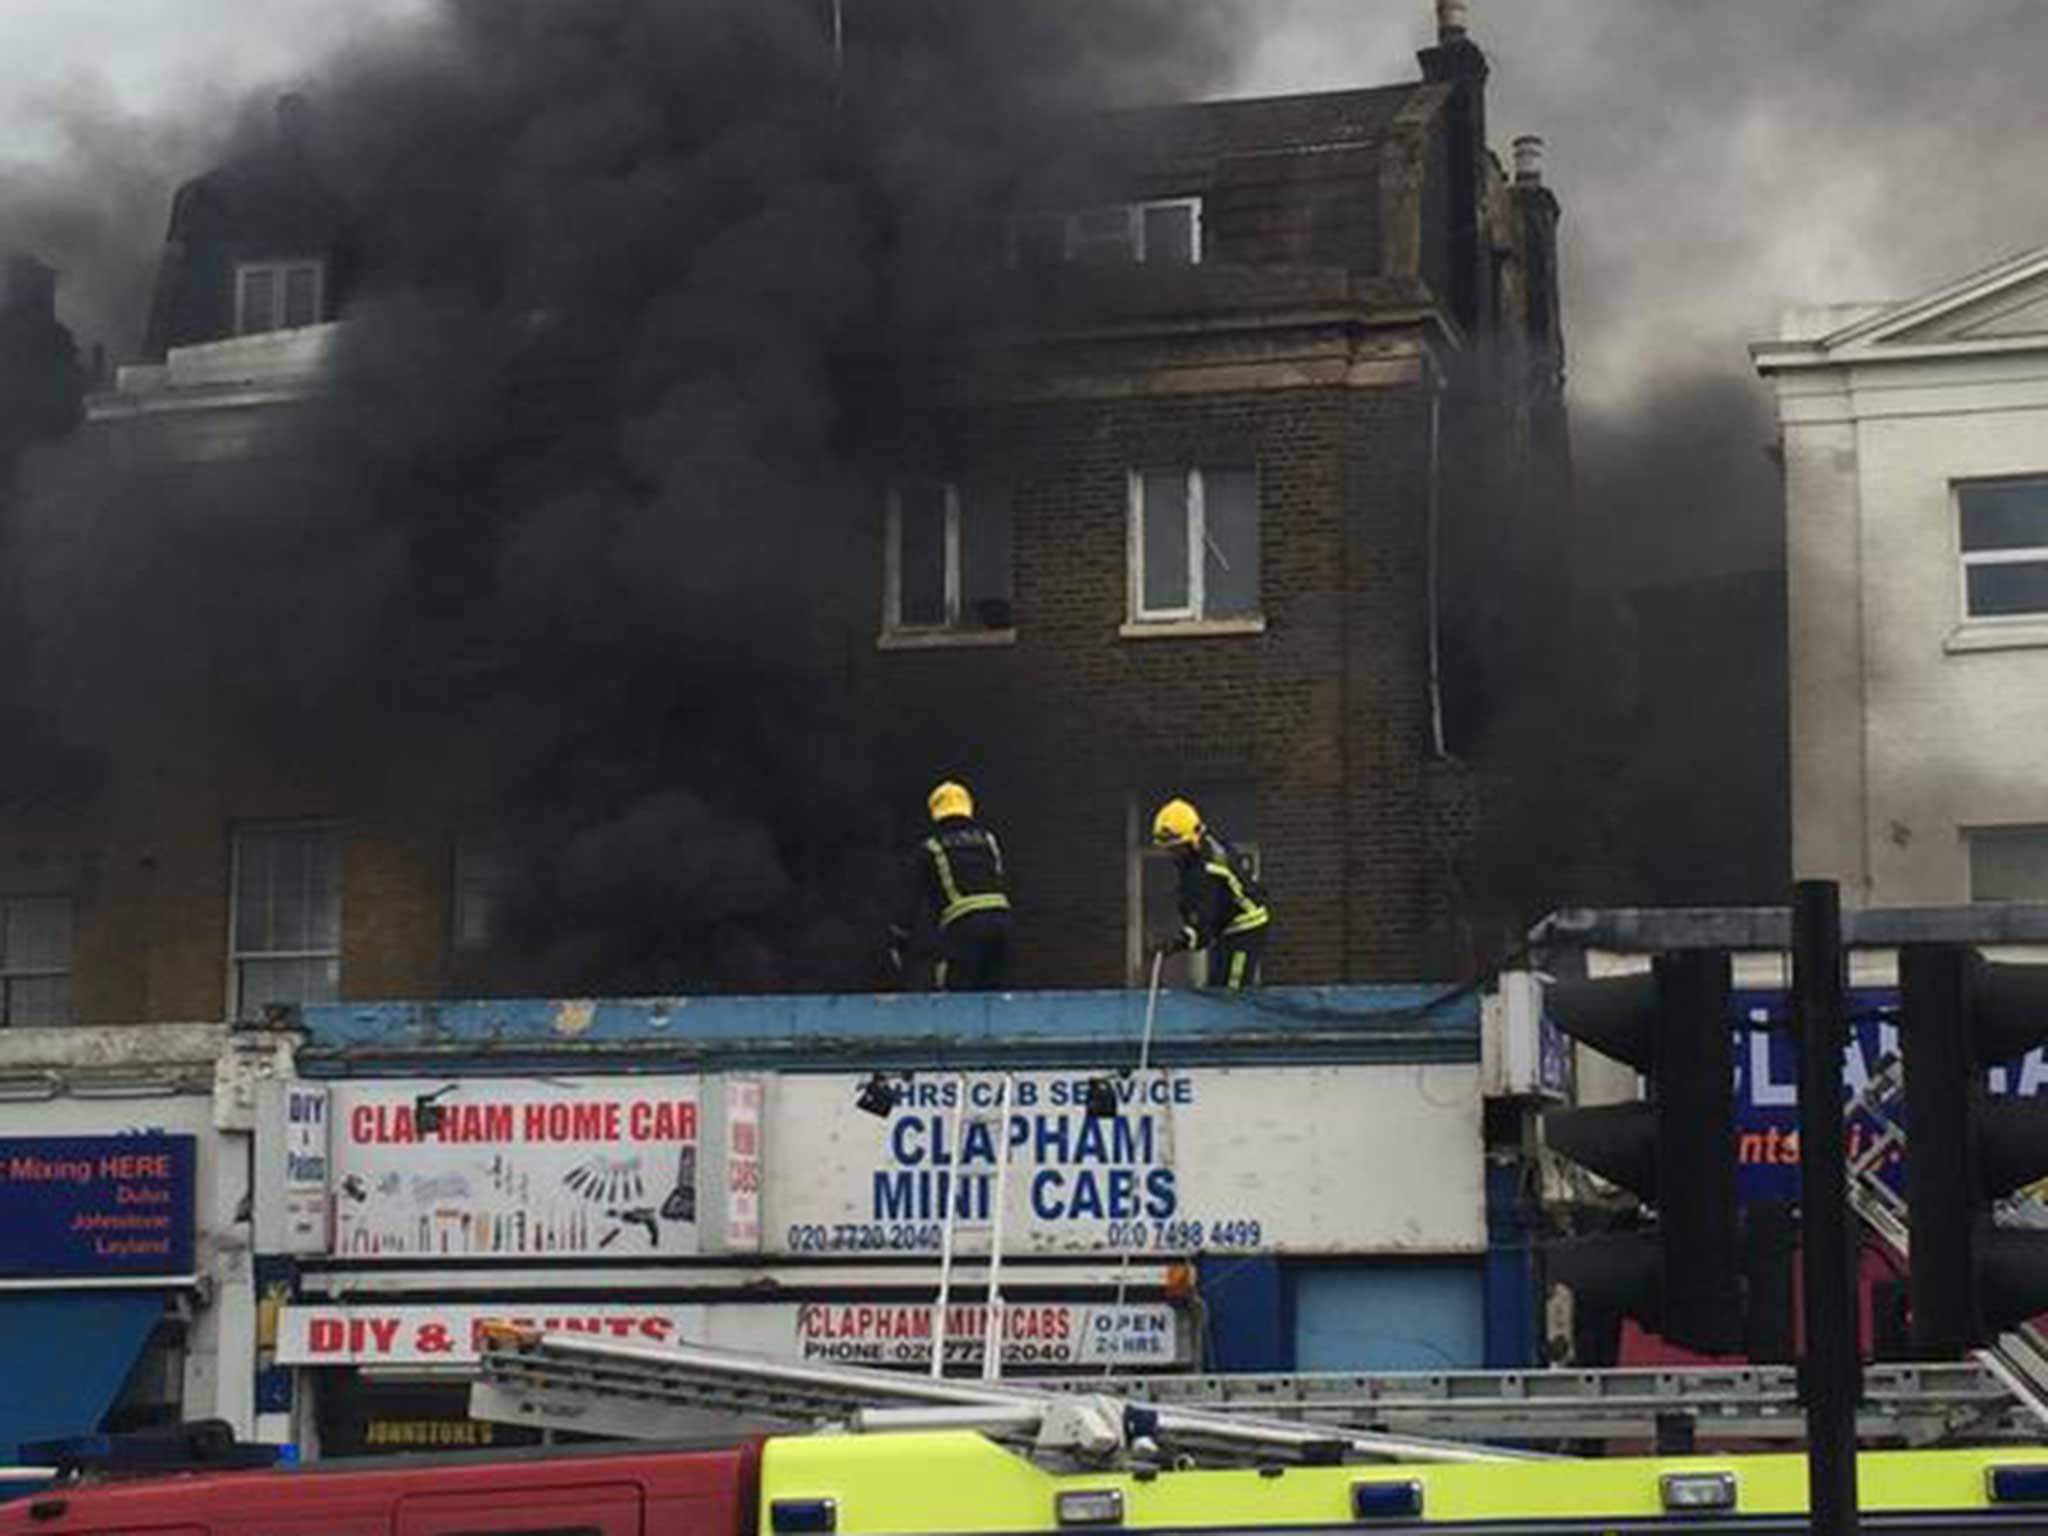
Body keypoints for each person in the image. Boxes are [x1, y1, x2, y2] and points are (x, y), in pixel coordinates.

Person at [890, 780, 1012, 992]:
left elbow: (910, 900)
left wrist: (899, 939)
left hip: (965, 927)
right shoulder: (989, 840)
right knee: (996, 993)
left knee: (957, 994)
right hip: (1002, 923)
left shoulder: (931, 848)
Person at [1150, 797, 1270, 989]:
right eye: (1170, 849)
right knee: (1217, 984)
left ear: (1193, 839)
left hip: (1245, 928)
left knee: (1231, 991)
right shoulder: (1200, 849)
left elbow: (1203, 925)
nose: (1174, 854)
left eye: (1178, 848)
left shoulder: (1206, 870)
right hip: (1225, 926)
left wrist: (1177, 942)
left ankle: (1232, 1018)